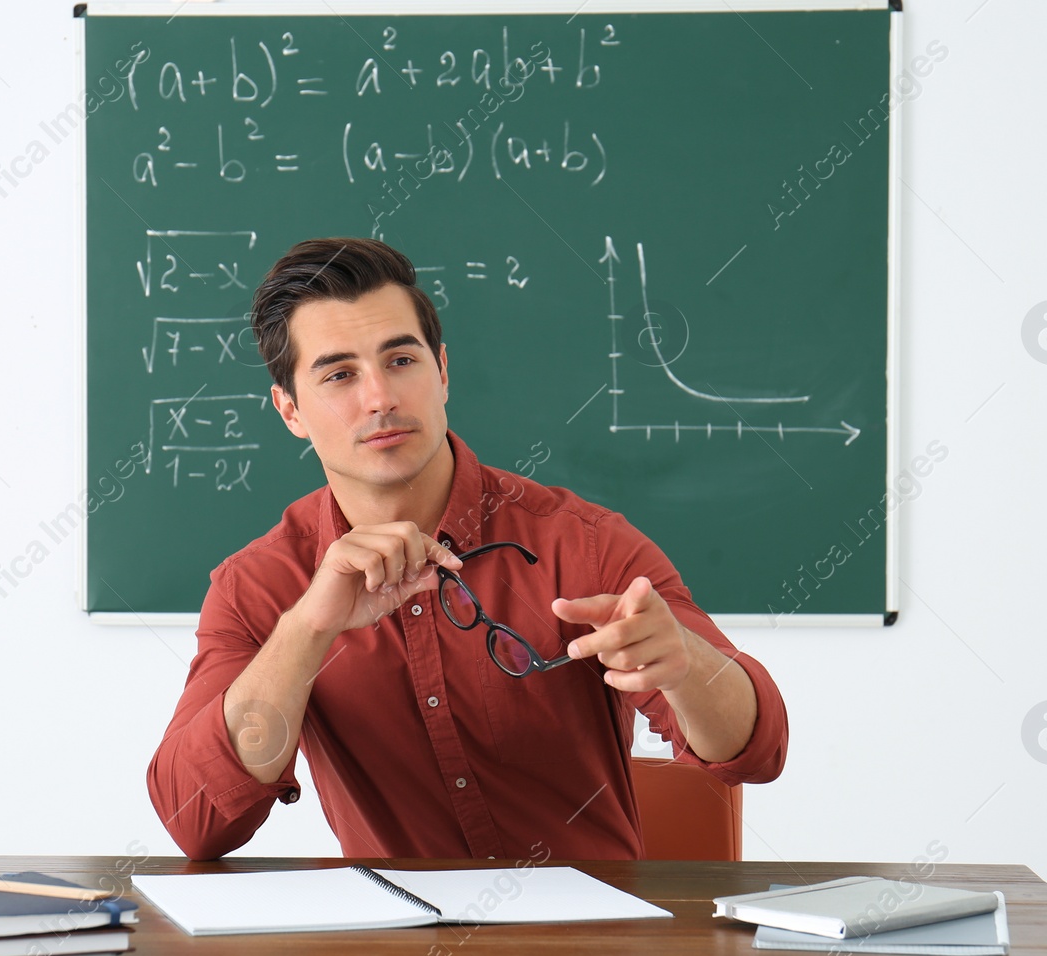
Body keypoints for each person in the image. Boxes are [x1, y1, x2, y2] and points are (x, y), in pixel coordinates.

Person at [146, 237, 787, 861]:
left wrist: (686, 665)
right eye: (340, 375)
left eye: (401, 361)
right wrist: (309, 627)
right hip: (387, 955)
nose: (380, 398)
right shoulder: (260, 585)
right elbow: (194, 820)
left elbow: (757, 751)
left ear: (443, 371)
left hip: (588, 947)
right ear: (290, 411)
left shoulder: (586, 545)